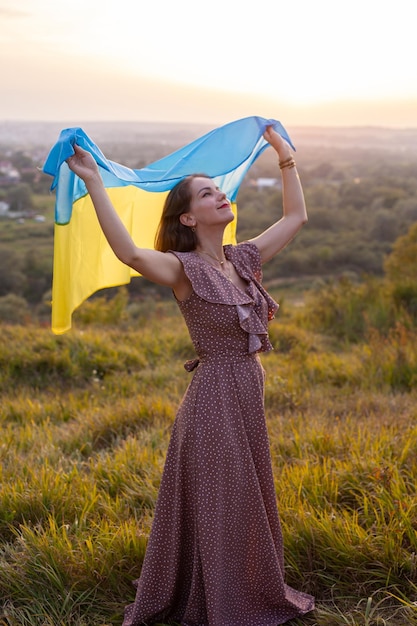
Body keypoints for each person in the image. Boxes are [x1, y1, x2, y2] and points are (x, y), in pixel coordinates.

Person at [67, 125, 315, 626]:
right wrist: (94, 181)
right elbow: (131, 254)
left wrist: (283, 155)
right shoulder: (182, 269)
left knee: (244, 497)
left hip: (246, 391)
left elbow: (296, 216)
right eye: (207, 193)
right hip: (213, 399)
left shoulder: (242, 258)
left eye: (219, 189)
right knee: (226, 501)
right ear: (188, 217)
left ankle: (241, 584)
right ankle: (223, 600)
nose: (220, 195)